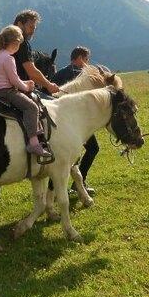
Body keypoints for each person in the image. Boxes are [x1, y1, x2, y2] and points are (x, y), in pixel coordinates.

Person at [0, 9, 58, 206]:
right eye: (31, 26)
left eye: (34, 27)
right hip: (11, 90)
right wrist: (45, 86)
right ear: (20, 24)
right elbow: (28, 73)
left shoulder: (0, 53)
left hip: (2, 89)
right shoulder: (18, 46)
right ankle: (36, 143)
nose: (32, 31)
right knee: (36, 108)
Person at [0, 25, 52, 158]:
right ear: (15, 43)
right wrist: (27, 87)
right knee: (32, 107)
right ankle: (34, 143)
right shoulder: (8, 58)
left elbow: (11, 79)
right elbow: (14, 81)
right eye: (19, 44)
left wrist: (24, 83)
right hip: (7, 92)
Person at [52, 46, 99, 196]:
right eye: (86, 59)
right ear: (79, 58)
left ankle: (72, 185)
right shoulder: (79, 74)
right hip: (76, 122)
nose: (87, 63)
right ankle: (79, 183)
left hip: (59, 118)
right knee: (92, 148)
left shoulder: (60, 73)